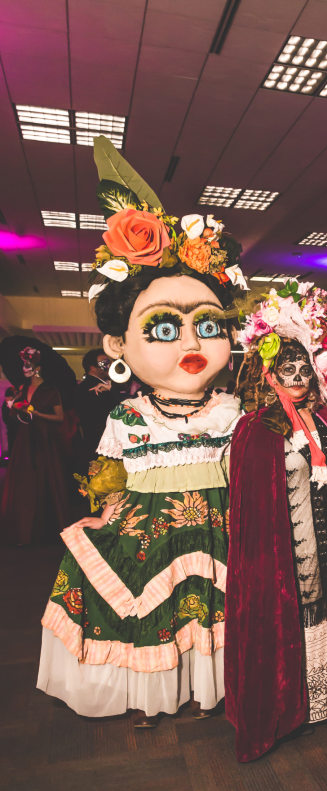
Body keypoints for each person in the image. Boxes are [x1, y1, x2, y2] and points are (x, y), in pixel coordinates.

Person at [37, 136, 248, 726]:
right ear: (117, 345)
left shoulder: (233, 410)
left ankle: (216, 690)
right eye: (163, 329)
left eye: (206, 325)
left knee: (211, 613)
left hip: (222, 524)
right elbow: (111, 475)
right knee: (152, 614)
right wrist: (106, 509)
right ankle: (156, 693)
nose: (190, 343)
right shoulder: (129, 415)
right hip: (148, 529)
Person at [225, 279, 327, 762]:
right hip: (285, 556)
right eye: (287, 368)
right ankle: (288, 706)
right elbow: (253, 508)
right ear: (270, 373)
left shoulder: (325, 421)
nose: (297, 376)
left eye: (303, 368)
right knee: (290, 621)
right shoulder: (255, 429)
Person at [0, 346, 71, 545]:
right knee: (25, 482)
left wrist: (38, 415)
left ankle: (46, 529)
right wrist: (13, 408)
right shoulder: (21, 389)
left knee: (46, 479)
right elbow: (14, 416)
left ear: (38, 368)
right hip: (24, 439)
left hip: (45, 440)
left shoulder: (50, 390)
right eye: (23, 365)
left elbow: (59, 417)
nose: (24, 369)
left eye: (28, 365)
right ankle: (24, 529)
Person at [74, 347, 124, 468]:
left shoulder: (94, 385)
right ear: (92, 367)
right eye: (105, 363)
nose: (110, 366)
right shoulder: (94, 388)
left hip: (97, 441)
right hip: (102, 441)